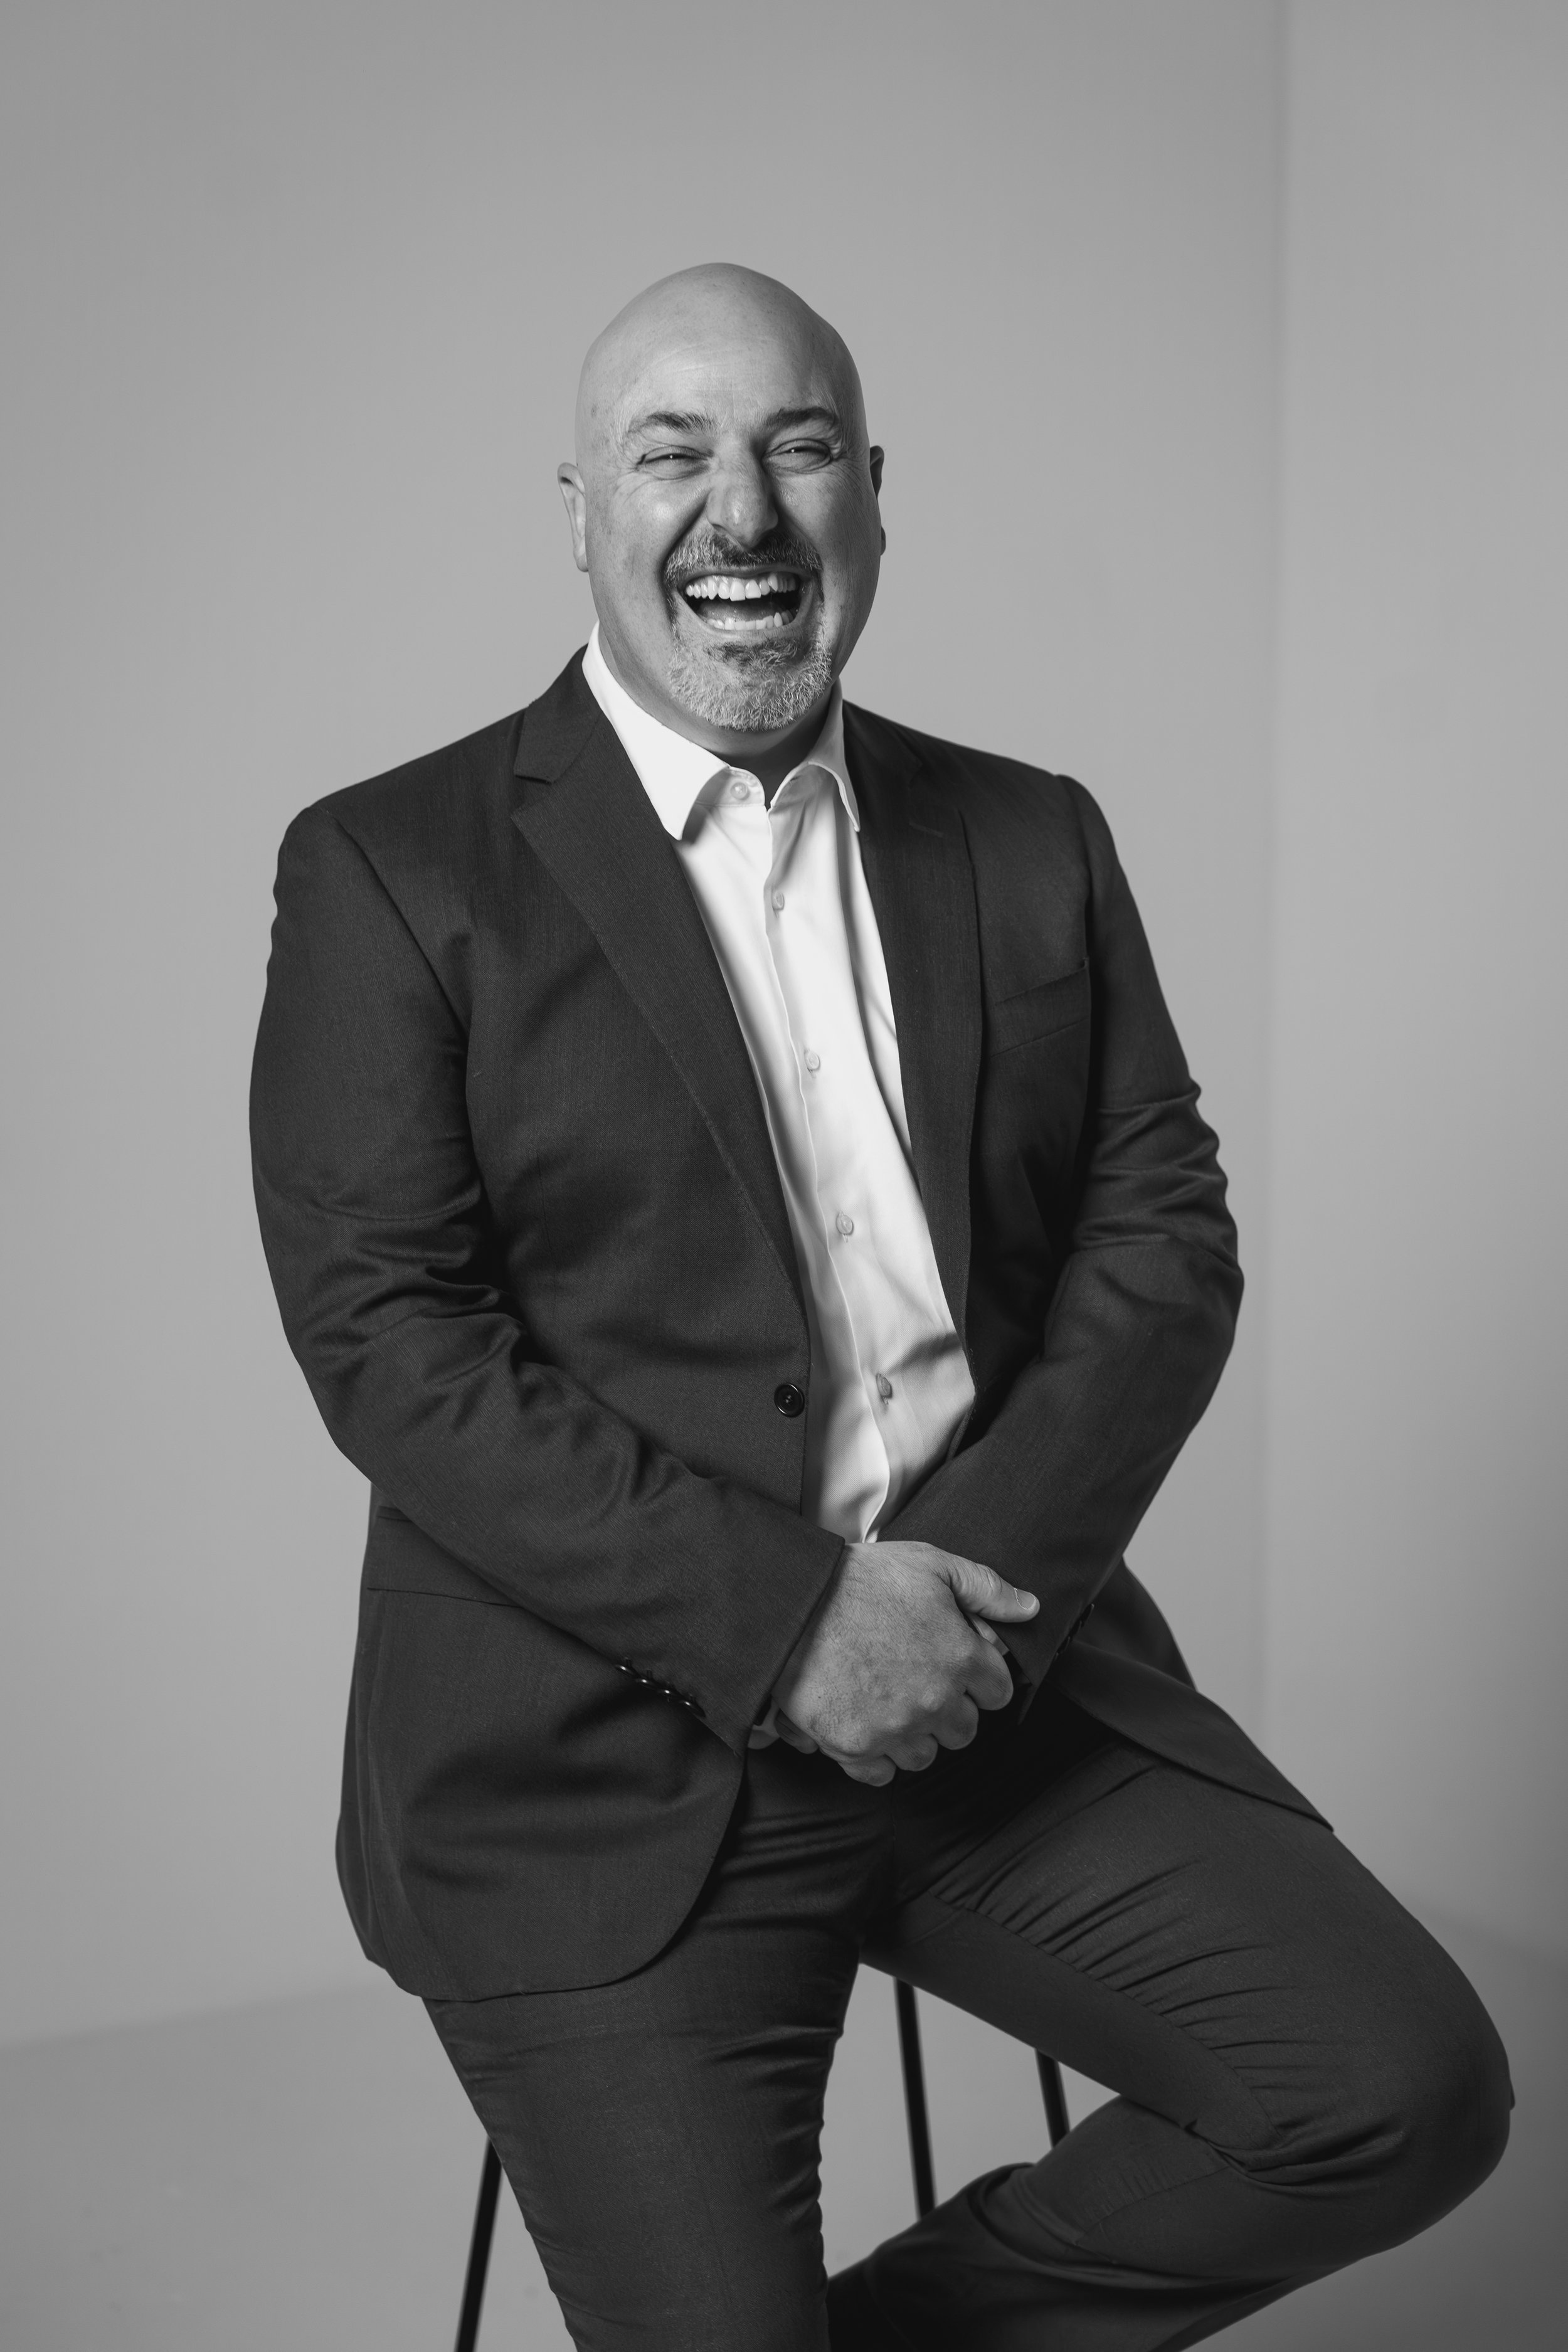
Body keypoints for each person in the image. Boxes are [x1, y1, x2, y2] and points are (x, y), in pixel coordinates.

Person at [250, 263, 1510, 2351]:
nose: (739, 510)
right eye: (670, 454)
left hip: (995, 1702)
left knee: (1396, 2093)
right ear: (580, 510)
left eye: (798, 447)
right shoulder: (394, 867)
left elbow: (1159, 1238)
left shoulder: (1027, 835)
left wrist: (950, 1613)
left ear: (870, 493)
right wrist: (792, 1628)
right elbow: (391, 1338)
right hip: (595, 1768)